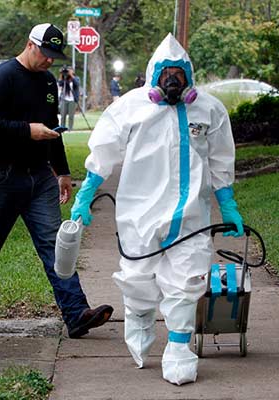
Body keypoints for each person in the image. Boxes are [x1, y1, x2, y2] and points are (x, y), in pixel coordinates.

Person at [71, 33, 244, 385]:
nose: (172, 81)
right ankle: (139, 317)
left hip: (191, 217)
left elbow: (221, 159)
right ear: (153, 74)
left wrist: (228, 205)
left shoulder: (209, 109)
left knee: (188, 280)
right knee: (137, 278)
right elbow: (103, 151)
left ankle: (179, 347)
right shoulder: (129, 108)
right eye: (166, 73)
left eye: (179, 74)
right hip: (139, 213)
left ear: (189, 76)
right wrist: (85, 194)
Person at [0, 23, 113, 338]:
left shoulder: (46, 81)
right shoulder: (2, 76)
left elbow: (52, 129)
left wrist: (63, 171)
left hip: (39, 176)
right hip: (0, 174)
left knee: (56, 244)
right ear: (30, 45)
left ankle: (76, 313)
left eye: (54, 56)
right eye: (46, 54)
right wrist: (27, 130)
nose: (49, 61)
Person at [58, 66, 80, 131]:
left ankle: (70, 129)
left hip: (72, 100)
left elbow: (77, 84)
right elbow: (60, 83)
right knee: (63, 115)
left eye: (70, 70)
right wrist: (61, 75)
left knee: (71, 116)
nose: (68, 72)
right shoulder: (65, 79)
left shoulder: (76, 78)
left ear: (73, 71)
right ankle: (62, 127)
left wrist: (71, 76)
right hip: (64, 99)